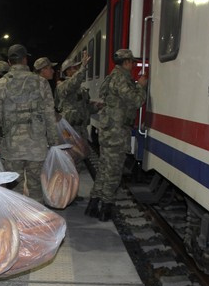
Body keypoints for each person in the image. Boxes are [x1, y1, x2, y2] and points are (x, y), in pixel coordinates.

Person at [0, 44, 60, 201]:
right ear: (25, 59)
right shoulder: (41, 82)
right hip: (37, 144)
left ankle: (17, 222)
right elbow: (49, 115)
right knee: (35, 186)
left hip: (12, 146)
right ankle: (37, 221)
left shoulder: (0, 84)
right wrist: (54, 141)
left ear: (9, 61)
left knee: (14, 188)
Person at [86, 49, 147, 221]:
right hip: (117, 132)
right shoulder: (121, 78)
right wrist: (141, 87)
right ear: (126, 62)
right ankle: (106, 208)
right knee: (113, 171)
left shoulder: (111, 77)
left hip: (108, 130)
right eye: (132, 62)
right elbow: (135, 101)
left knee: (104, 169)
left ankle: (93, 203)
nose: (133, 65)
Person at [56, 51, 91, 138]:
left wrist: (96, 107)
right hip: (70, 131)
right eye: (75, 68)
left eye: (78, 67)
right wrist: (83, 67)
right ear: (67, 71)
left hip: (81, 130)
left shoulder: (80, 89)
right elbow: (73, 83)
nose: (77, 69)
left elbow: (84, 107)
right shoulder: (63, 86)